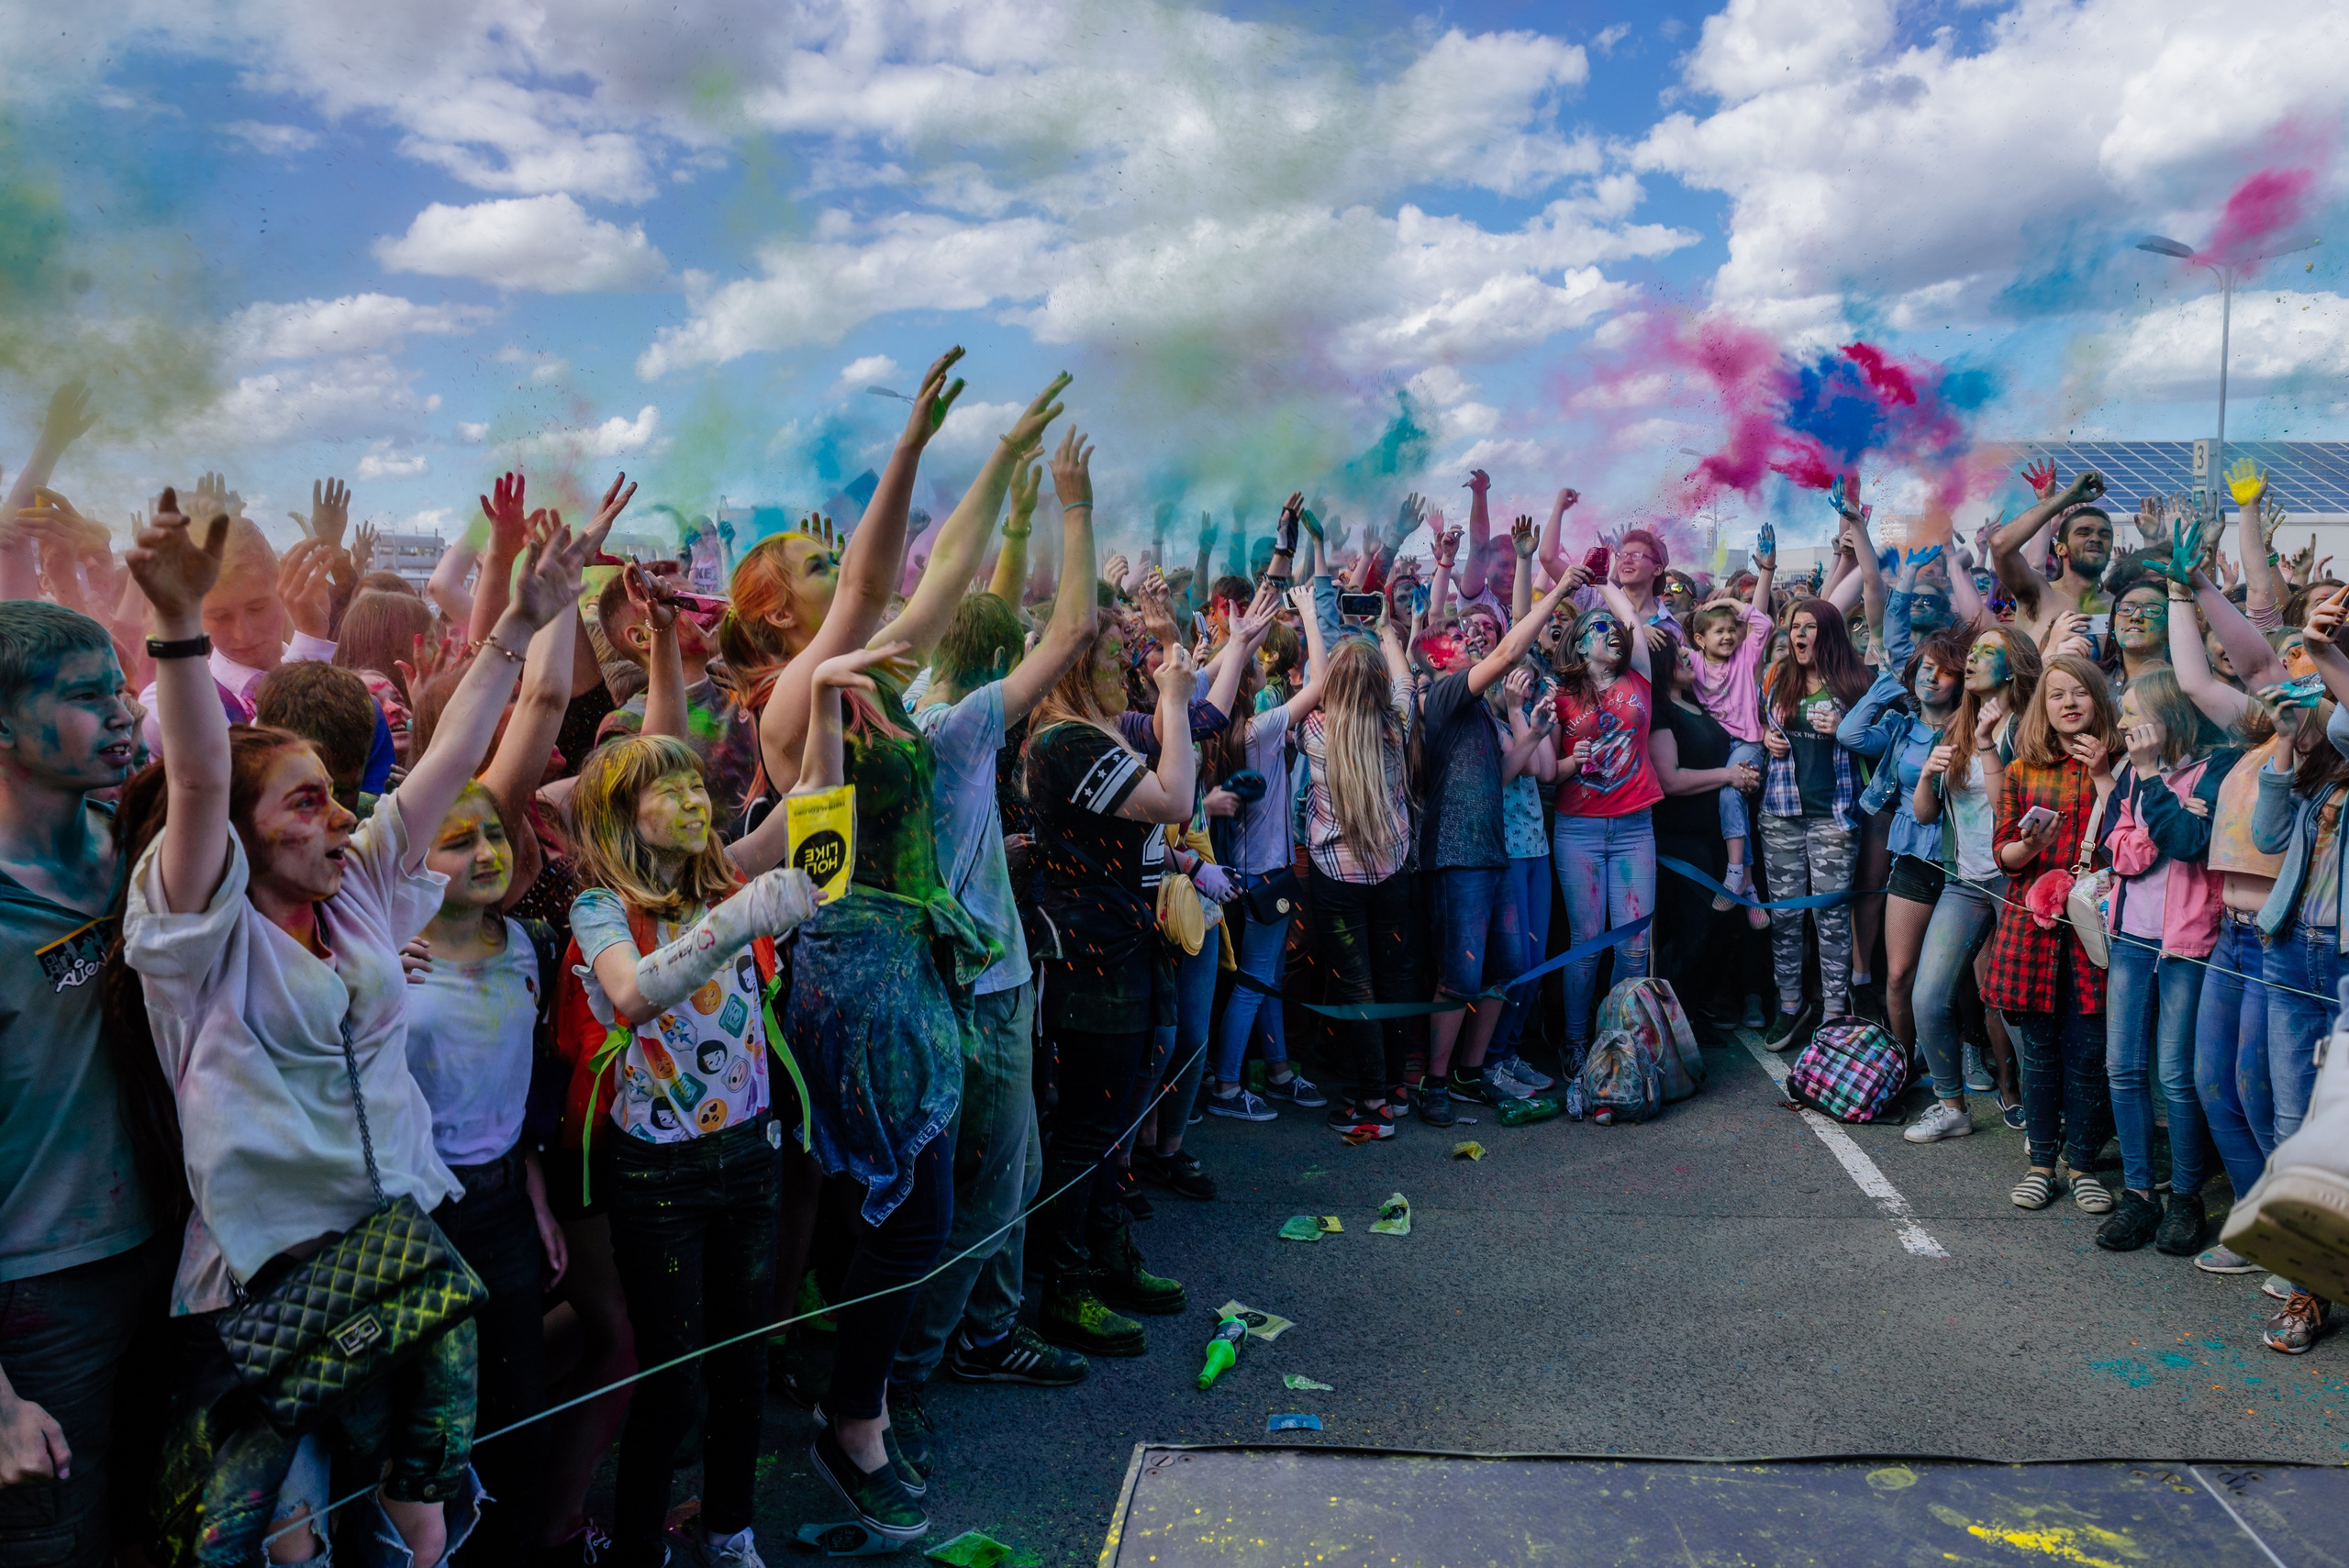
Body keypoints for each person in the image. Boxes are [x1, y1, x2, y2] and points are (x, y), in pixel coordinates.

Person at [122, 489, 597, 1568]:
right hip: (272, 1281)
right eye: (303, 802)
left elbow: (446, 765)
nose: (340, 816)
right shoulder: (203, 940)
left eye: (336, 796)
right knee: (287, 1539)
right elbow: (199, 775)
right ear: (238, 841)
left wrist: (517, 627)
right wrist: (180, 633)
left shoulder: (363, 894)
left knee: (419, 1516)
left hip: (395, 1255)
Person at [735, 358, 1062, 1536]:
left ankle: (856, 1404)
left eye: (836, 559)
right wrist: (911, 451)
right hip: (852, 972)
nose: (848, 572)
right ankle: (852, 1418)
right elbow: (880, 577)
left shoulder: (869, 677)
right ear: (777, 614)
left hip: (910, 966)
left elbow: (942, 579)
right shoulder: (792, 700)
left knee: (907, 1209)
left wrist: (1004, 464)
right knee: (904, 1210)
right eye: (812, 570)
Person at [891, 439, 1103, 1407]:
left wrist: (1012, 529)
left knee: (1000, 1172)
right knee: (987, 1183)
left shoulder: (913, 704)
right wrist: (1074, 507)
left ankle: (976, 1329)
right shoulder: (958, 728)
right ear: (993, 660)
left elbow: (1006, 622)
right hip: (975, 987)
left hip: (971, 975)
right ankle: (930, 1358)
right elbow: (1069, 633)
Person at [0, 601, 155, 1568]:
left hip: (169, 1255)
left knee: (154, 1514)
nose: (121, 713)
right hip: (38, 1296)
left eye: (120, 685)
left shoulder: (136, 844)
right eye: (84, 695)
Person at [1025, 620, 1200, 1353]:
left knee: (1109, 1124)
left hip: (1122, 943)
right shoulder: (1065, 740)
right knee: (1087, 1130)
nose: (1125, 671)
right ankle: (1065, 1288)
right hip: (1091, 954)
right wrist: (1179, 700)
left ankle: (1103, 1254)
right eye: (1110, 661)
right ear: (1071, 667)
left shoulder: (1089, 732)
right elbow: (1175, 800)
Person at [1410, 565, 1584, 1125]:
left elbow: (1504, 773)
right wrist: (1555, 591)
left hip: (1492, 851)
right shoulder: (1443, 697)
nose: (1469, 642)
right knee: (1459, 975)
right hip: (1456, 852)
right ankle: (1435, 1082)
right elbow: (1510, 651)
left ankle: (1470, 1070)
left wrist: (1532, 732)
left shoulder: (1479, 713)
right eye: (1457, 640)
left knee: (1506, 967)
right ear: (1438, 661)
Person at [2094, 670, 2233, 1254]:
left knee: (2176, 1076)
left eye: (2132, 714)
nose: (2122, 726)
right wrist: (2165, 814)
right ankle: (2138, 1194)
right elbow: (2117, 848)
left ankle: (2185, 1199)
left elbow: (2189, 845)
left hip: (2186, 945)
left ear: (2166, 716)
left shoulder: (2219, 770)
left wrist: (2154, 790)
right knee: (2122, 1067)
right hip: (2130, 937)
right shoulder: (2130, 774)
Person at [1981, 654, 2121, 1217]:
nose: (2068, 703)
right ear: (2041, 707)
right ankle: (2042, 1163)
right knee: (2039, 1054)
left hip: (2093, 934)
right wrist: (2030, 847)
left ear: (2098, 701)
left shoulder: (2124, 764)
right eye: (2056, 694)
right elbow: (2003, 853)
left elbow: (2130, 838)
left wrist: (2107, 773)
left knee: (2088, 1053)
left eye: (2079, 693)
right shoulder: (2020, 771)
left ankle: (2083, 1164)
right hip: (2030, 930)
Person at [1203, 563, 1329, 1123]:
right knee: (1253, 983)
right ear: (1249, 684)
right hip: (1264, 874)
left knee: (1266, 975)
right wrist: (1307, 616)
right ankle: (1227, 1088)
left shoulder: (1226, 733)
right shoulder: (1261, 730)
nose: (1254, 668)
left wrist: (1237, 640)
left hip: (1249, 872)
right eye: (1252, 666)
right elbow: (1320, 685)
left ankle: (1276, 1071)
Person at [1906, 626, 2042, 1140]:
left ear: (2014, 666)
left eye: (1989, 652)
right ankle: (1952, 1107)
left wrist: (1988, 747)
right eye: (1974, 652)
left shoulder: (2029, 727)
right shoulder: (1958, 726)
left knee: (2015, 1002)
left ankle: (2040, 1108)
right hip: (1966, 881)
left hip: (2019, 884)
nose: (1974, 659)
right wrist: (1924, 777)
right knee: (1928, 995)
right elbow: (1924, 815)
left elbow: (2013, 807)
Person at [1297, 613, 1419, 1136]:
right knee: (1393, 979)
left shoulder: (1315, 733)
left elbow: (1317, 688)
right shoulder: (1396, 727)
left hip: (1336, 876)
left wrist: (1310, 618)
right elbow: (1408, 683)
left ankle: (1371, 1104)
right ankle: (1395, 1088)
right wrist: (1390, 636)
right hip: (1392, 871)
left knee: (1357, 987)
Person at [1549, 577, 1660, 1065]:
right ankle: (1575, 1043)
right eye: (1597, 628)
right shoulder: (1560, 696)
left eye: (1613, 629)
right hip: (1579, 832)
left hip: (1636, 827)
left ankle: (1616, 1041)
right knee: (1587, 945)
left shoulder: (1639, 680)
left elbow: (1631, 620)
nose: (1611, 632)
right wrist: (1573, 760)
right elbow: (1545, 771)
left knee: (1634, 948)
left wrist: (1604, 584)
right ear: (1577, 644)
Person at [1756, 597, 1874, 1047]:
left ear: (1829, 633)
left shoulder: (1854, 683)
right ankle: (1790, 1005)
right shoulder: (1777, 677)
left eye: (1810, 627)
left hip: (1833, 816)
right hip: (1781, 814)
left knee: (1831, 920)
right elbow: (1764, 728)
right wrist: (1769, 737)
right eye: (1794, 627)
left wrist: (1844, 729)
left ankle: (1834, 1013)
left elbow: (1878, 745)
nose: (1800, 635)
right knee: (1786, 918)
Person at [1647, 631, 1762, 1030]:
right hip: (1679, 839)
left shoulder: (1698, 704)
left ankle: (1692, 1014)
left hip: (1715, 837)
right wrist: (1730, 776)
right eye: (1676, 651)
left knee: (1718, 928)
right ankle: (1666, 1022)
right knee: (1691, 931)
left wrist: (1744, 775)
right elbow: (1670, 779)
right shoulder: (1661, 712)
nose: (1686, 656)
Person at [1988, 466, 2114, 643]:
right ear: (2061, 548)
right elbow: (2000, 545)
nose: (2095, 539)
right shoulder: (2038, 593)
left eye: (2104, 535)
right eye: (2084, 533)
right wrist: (2069, 496)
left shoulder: (2119, 607)